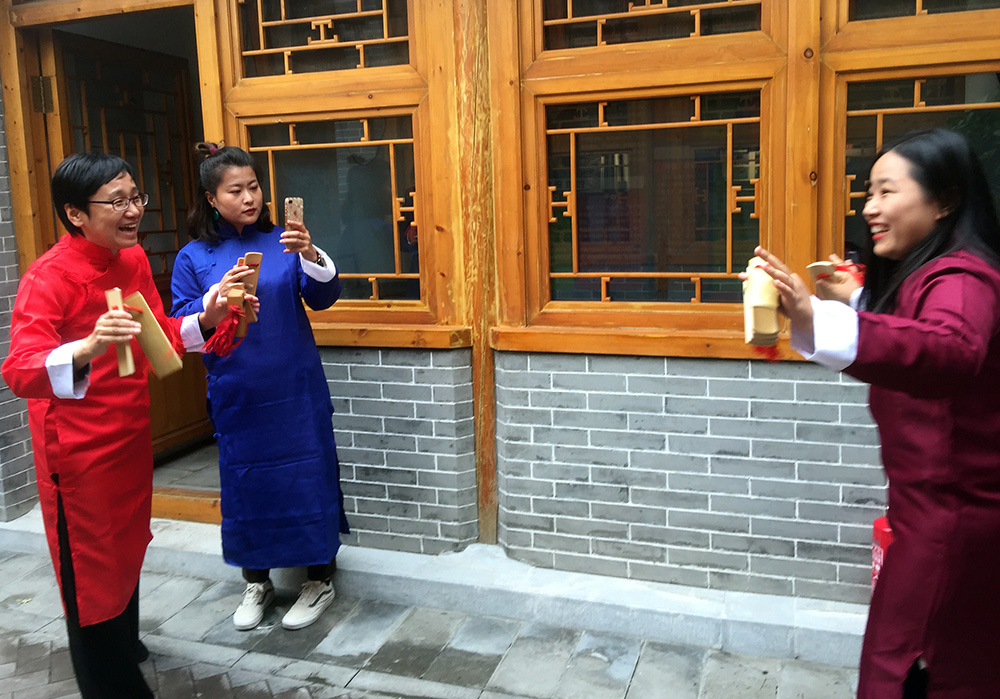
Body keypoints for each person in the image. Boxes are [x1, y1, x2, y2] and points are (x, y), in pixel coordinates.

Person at [749, 128, 1000, 699]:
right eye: (869, 193)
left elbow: (950, 350)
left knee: (918, 668)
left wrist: (811, 316)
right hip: (931, 523)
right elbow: (920, 333)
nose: (870, 208)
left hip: (953, 531)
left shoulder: (963, 277)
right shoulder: (932, 275)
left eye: (887, 191)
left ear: (945, 200)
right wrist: (854, 301)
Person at [1, 152, 235, 698]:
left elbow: (158, 339)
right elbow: (19, 370)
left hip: (129, 436)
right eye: (117, 201)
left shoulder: (130, 260)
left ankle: (125, 643)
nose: (133, 211)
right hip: (77, 457)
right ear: (75, 214)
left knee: (127, 546)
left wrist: (210, 315)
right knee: (91, 569)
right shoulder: (48, 278)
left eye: (136, 197)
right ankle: (111, 679)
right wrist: (86, 347)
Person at [170, 143, 349, 632]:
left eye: (254, 187)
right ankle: (257, 581)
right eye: (235, 191)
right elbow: (182, 328)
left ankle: (319, 579)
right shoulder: (193, 256)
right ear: (212, 199)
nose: (249, 198)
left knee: (307, 477)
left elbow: (325, 297)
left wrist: (309, 252)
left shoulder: (284, 242)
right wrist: (213, 303)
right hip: (238, 390)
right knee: (247, 484)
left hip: (295, 386)